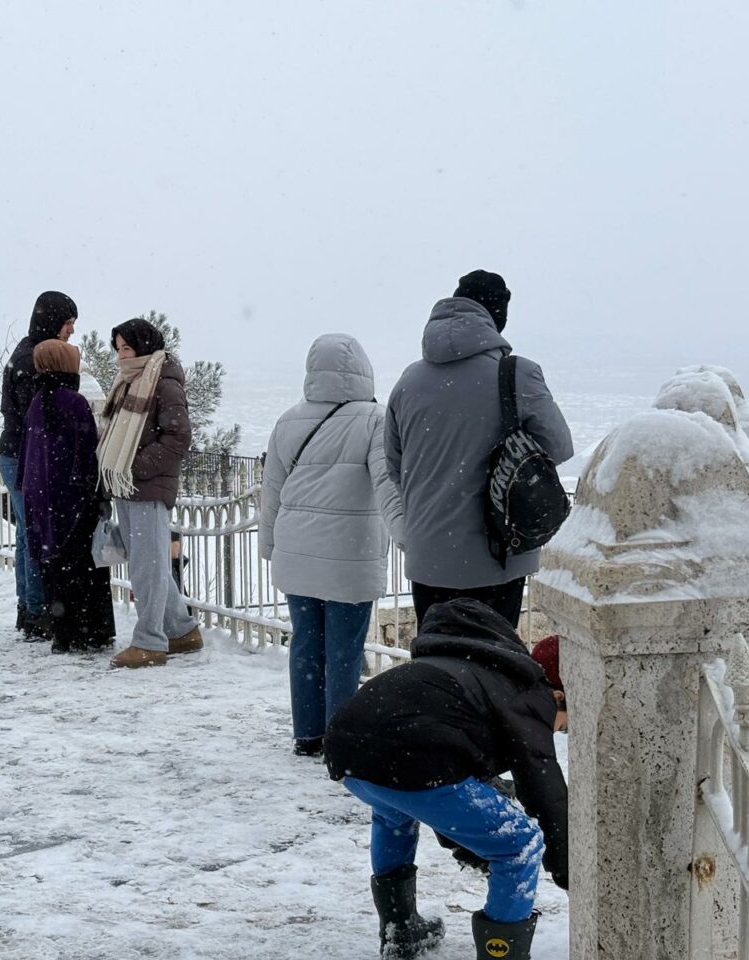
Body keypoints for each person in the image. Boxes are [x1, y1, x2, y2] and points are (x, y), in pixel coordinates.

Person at [324, 598, 568, 960]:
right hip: (414, 759)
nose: (560, 731)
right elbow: (544, 790)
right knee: (519, 844)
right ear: (559, 694)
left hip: (348, 748)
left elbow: (454, 749)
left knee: (393, 815)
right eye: (566, 724)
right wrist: (570, 871)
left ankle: (400, 930)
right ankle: (501, 956)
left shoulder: (479, 665)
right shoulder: (531, 698)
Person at [385, 270, 573, 628]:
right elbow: (558, 446)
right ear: (496, 318)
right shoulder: (516, 374)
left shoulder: (408, 381)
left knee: (437, 658)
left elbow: (394, 465)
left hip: (428, 559)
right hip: (496, 555)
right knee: (493, 658)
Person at [259, 334, 405, 756]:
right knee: (344, 649)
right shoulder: (374, 419)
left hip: (297, 552)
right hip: (349, 555)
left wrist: (269, 545)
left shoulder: (288, 420)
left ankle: (308, 734)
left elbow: (272, 492)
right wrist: (407, 536)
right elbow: (388, 484)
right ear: (362, 370)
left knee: (306, 642)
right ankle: (340, 739)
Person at [96, 317, 203, 668]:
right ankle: (181, 630)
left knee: (148, 566)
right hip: (126, 485)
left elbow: (178, 437)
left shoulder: (164, 381)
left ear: (144, 346)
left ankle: (150, 642)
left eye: (127, 348)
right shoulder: (129, 380)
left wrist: (136, 466)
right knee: (148, 562)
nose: (121, 356)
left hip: (147, 485)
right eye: (118, 349)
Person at [16, 340, 116, 653]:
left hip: (43, 500)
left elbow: (29, 455)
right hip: (73, 499)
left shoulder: (37, 402)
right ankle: (90, 633)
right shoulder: (75, 403)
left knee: (55, 570)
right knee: (84, 569)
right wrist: (97, 494)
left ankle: (63, 633)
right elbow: (87, 453)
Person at [0, 291, 78, 638]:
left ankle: (28, 608)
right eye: (68, 323)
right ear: (52, 321)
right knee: (36, 535)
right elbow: (41, 420)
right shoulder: (34, 363)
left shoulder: (27, 352)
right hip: (25, 458)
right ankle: (38, 611)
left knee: (25, 534)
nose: (71, 330)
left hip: (14, 454)